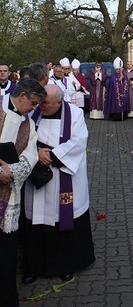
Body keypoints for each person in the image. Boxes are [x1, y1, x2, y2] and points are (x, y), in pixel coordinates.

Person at [22, 85, 95, 285]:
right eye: (40, 101)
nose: (41, 106)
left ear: (59, 102)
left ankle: (65, 265)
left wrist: (51, 155)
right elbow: (22, 138)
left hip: (65, 177)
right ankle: (34, 266)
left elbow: (79, 142)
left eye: (46, 103)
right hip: (37, 177)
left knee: (63, 222)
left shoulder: (76, 114)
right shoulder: (32, 112)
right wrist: (36, 153)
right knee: (35, 223)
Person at [0, 78, 46, 307]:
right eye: (34, 103)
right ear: (22, 97)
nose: (34, 109)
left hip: (8, 196)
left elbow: (31, 154)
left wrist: (12, 172)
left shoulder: (28, 124)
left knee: (6, 257)